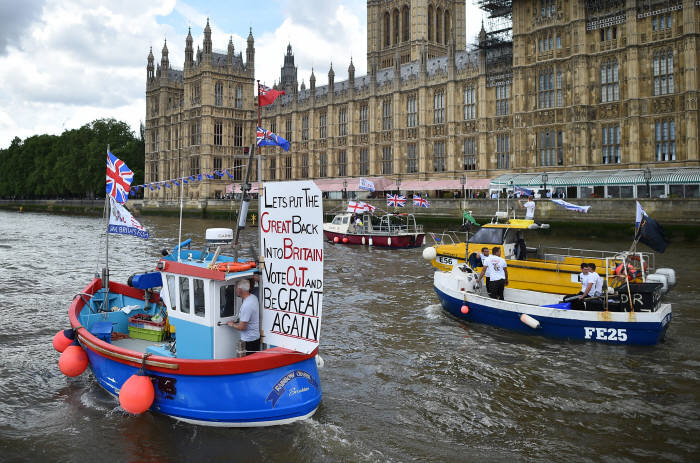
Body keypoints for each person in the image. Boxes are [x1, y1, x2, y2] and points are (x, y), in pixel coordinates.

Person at [227, 280, 260, 355]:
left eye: (235, 288)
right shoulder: (253, 297)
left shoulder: (247, 305)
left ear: (240, 290)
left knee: (249, 363)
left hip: (249, 341)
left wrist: (232, 324)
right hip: (254, 339)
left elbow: (242, 327)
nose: (235, 290)